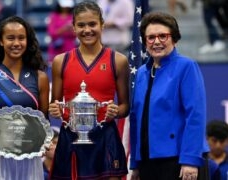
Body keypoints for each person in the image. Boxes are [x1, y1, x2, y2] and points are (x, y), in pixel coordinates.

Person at [48, 1, 130, 179]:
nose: (87, 30)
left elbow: (125, 107)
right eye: (81, 25)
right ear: (74, 27)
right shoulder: (60, 61)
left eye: (92, 24)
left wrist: (115, 111)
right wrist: (54, 109)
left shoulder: (118, 60)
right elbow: (55, 106)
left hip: (105, 139)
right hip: (71, 140)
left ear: (102, 24)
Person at [129, 11, 209, 180]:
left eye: (163, 36)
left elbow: (195, 115)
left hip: (179, 161)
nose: (156, 41)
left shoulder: (186, 66)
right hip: (147, 162)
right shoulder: (142, 72)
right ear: (145, 42)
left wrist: (190, 160)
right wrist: (135, 164)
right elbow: (136, 119)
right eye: (151, 37)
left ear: (174, 38)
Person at [0, 16, 50, 180]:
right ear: (1, 41)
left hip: (30, 157)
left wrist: (42, 141)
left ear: (27, 41)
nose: (16, 43)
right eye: (10, 38)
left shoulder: (41, 78)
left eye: (21, 38)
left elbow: (44, 119)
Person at [47, 0, 77, 67]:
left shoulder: (73, 17)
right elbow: (51, 33)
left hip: (69, 49)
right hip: (56, 49)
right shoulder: (53, 16)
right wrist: (64, 28)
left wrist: (71, 29)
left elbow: (76, 34)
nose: (65, 8)